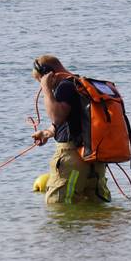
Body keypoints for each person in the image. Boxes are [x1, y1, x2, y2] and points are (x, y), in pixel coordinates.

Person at [30, 55, 111, 204]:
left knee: (58, 208)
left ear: (48, 73)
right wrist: (47, 133)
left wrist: (47, 89)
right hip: (94, 160)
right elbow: (74, 121)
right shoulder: (80, 84)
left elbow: (58, 116)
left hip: (72, 160)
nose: (40, 86)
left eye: (40, 80)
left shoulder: (64, 86)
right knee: (95, 210)